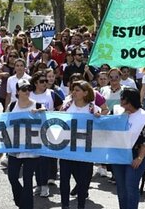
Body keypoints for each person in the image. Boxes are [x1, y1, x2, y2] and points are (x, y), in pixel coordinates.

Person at [59, 81, 102, 209]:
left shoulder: (93, 108)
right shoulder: (67, 105)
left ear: (85, 93)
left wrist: (98, 118)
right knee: (64, 179)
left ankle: (81, 205)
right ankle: (65, 205)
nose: (74, 92)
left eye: (77, 90)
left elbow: (100, 127)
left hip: (84, 151)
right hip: (67, 148)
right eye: (73, 90)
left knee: (83, 181)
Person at [111, 87, 145, 209]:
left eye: (122, 97)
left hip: (135, 155)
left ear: (129, 100)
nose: (120, 100)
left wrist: (139, 158)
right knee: (121, 187)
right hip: (118, 155)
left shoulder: (143, 116)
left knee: (131, 187)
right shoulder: (117, 111)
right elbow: (105, 124)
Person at [7, 79, 46, 209]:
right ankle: (20, 200)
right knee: (12, 177)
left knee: (28, 180)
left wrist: (41, 113)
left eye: (29, 88)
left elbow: (45, 124)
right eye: (24, 89)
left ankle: (27, 206)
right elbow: (5, 123)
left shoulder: (38, 105)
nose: (27, 91)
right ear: (17, 91)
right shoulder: (12, 106)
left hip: (31, 149)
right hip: (15, 148)